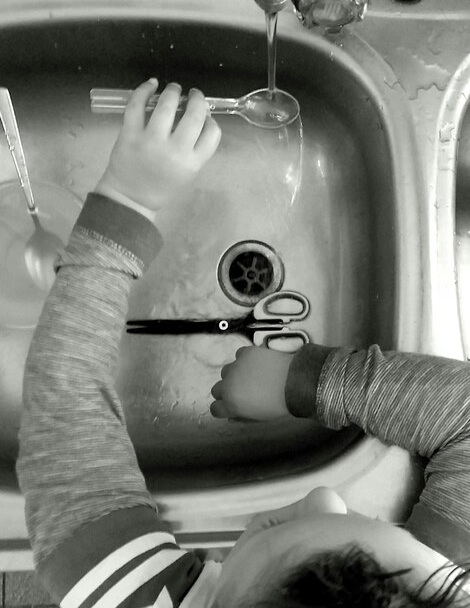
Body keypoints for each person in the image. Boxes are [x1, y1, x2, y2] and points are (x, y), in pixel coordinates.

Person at [16, 78, 470, 608]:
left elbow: (65, 406)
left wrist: (127, 197)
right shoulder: (433, 589)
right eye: (374, 526)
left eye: (273, 542)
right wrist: (307, 379)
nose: (325, 497)